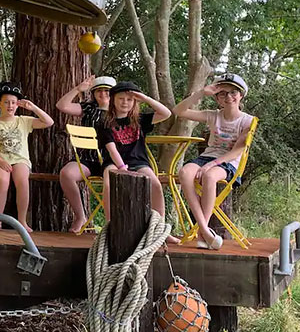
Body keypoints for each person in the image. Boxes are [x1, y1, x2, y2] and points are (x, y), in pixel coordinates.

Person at [172, 73, 254, 250]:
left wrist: (212, 164)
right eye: (223, 93)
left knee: (209, 177)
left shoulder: (248, 121)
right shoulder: (213, 116)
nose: (229, 97)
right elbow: (178, 111)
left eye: (233, 92)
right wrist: (201, 93)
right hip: (207, 157)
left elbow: (238, 150)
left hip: (229, 162)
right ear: (217, 98)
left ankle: (203, 232)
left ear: (241, 95)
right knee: (184, 172)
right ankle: (205, 231)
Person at [0, 81, 54, 232]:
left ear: (17, 105)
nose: (10, 106)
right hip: (0, 160)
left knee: (22, 180)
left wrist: (32, 107)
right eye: (6, 102)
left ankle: (21, 220)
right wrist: (0, 162)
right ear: (0, 104)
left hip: (20, 160)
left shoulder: (23, 121)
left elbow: (49, 122)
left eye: (13, 103)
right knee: (2, 181)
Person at [99, 81, 172, 225]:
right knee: (109, 184)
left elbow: (166, 113)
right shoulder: (105, 122)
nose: (125, 102)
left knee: (155, 184)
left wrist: (145, 98)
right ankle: (110, 225)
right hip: (115, 163)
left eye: (129, 99)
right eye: (121, 98)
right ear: (113, 99)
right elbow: (111, 149)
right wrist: (122, 168)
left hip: (138, 162)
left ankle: (159, 226)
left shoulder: (140, 120)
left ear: (135, 102)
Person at [56, 75, 116, 233]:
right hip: (88, 159)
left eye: (107, 91)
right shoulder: (89, 109)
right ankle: (80, 216)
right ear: (94, 94)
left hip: (112, 160)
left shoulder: (122, 110)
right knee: (66, 174)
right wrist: (78, 89)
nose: (103, 94)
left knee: (112, 181)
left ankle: (111, 224)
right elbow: (62, 105)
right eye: (99, 91)